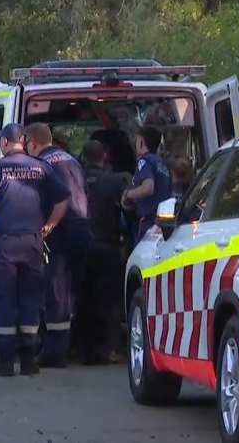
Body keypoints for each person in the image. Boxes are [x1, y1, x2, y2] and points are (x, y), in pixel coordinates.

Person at [0, 123, 70, 377]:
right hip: (33, 242)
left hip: (4, 243)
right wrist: (50, 225)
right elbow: (63, 198)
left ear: (4, 143)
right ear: (23, 141)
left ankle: (5, 362)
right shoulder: (41, 167)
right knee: (30, 301)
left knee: (5, 300)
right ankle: (28, 361)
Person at [25, 122, 90, 368]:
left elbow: (40, 200)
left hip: (59, 230)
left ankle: (54, 353)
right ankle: (79, 346)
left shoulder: (41, 164)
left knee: (56, 290)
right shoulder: (71, 160)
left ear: (33, 142)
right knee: (76, 288)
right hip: (82, 226)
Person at [80, 140, 128, 364]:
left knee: (84, 298)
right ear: (105, 156)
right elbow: (127, 208)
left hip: (81, 245)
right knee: (110, 300)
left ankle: (85, 349)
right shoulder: (114, 181)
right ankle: (109, 347)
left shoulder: (75, 178)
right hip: (107, 245)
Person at [122, 126, 172, 246]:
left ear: (142, 142)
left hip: (147, 221)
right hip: (162, 222)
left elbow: (147, 188)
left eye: (136, 141)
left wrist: (128, 194)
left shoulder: (144, 161)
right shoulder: (162, 164)